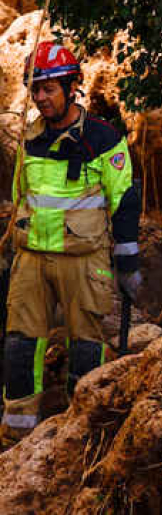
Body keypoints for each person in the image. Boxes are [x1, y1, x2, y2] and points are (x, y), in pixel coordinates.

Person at [1, 41, 141, 446]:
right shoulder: (29, 139)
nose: (41, 98)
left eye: (49, 88)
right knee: (20, 348)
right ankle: (16, 438)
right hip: (30, 260)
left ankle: (82, 436)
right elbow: (20, 198)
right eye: (35, 89)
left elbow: (125, 201)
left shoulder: (102, 138)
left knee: (85, 350)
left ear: (71, 86)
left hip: (84, 260)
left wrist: (128, 260)